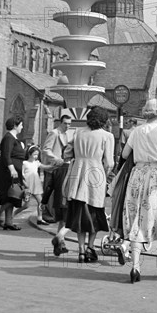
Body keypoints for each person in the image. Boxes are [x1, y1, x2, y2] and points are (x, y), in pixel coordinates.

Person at [122, 99, 157, 283]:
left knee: (138, 217)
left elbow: (124, 154)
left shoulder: (136, 132)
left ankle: (139, 265)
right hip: (156, 177)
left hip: (137, 175)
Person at [62, 106, 115, 263]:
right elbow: (110, 163)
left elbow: (66, 153)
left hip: (78, 175)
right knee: (94, 213)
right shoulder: (107, 136)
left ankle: (81, 251)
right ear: (104, 120)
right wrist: (104, 175)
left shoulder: (78, 133)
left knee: (80, 214)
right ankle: (91, 247)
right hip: (95, 174)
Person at [0, 116, 26, 231]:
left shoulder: (14, 138)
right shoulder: (9, 138)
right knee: (9, 196)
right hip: (7, 173)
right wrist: (12, 169)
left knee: (12, 196)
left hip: (13, 172)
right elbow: (6, 155)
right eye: (21, 124)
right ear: (15, 125)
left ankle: (8, 222)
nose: (22, 127)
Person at [41, 114, 72, 225]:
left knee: (57, 193)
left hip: (61, 168)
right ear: (60, 123)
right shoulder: (54, 133)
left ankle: (53, 215)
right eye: (65, 123)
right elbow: (46, 149)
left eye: (69, 124)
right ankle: (46, 214)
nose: (67, 126)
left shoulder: (66, 135)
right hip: (52, 167)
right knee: (49, 191)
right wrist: (55, 159)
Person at [16, 145, 55, 224]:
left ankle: (39, 218)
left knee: (40, 202)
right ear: (29, 154)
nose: (36, 156)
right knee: (26, 205)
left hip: (36, 184)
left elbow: (46, 167)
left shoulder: (36, 163)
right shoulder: (24, 163)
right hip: (28, 185)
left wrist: (54, 165)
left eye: (37, 154)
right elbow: (21, 175)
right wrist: (24, 184)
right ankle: (13, 214)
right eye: (34, 154)